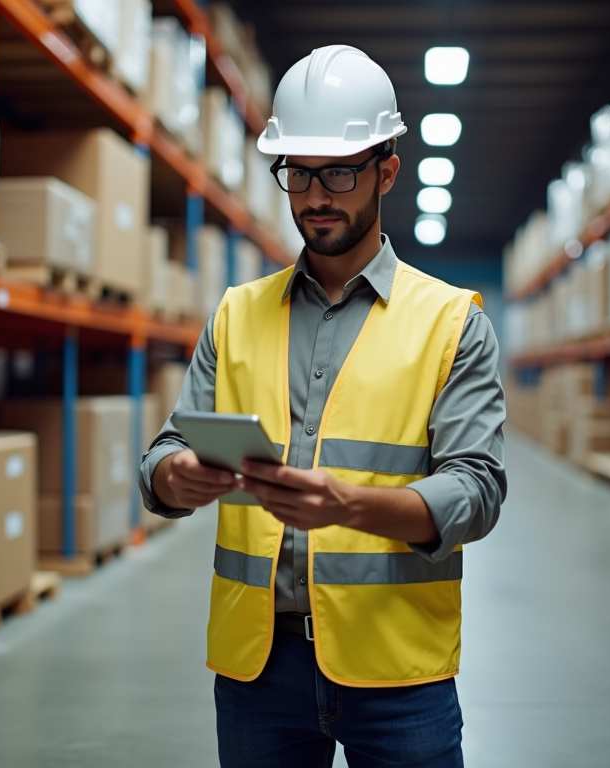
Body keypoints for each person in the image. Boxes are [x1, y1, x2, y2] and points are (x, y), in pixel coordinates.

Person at [139, 44, 506, 768]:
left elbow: (478, 490)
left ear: (387, 171)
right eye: (297, 172)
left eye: (338, 171)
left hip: (397, 671)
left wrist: (350, 506)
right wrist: (174, 477)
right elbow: (164, 451)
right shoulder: (236, 313)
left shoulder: (452, 321)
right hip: (257, 668)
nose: (314, 195)